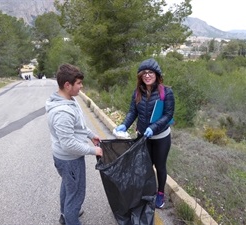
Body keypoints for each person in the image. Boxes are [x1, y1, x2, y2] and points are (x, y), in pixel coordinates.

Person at [45, 63, 103, 225]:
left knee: (68, 186)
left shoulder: (68, 99)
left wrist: (90, 135)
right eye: (78, 83)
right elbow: (69, 144)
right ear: (67, 85)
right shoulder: (63, 112)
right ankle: (70, 216)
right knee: (75, 195)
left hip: (66, 159)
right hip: (69, 160)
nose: (81, 86)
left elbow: (78, 126)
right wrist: (94, 150)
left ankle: (65, 213)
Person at [115, 58, 175, 209]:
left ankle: (160, 194)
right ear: (140, 76)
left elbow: (168, 115)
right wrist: (124, 124)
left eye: (150, 72)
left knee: (160, 167)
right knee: (144, 166)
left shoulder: (166, 92)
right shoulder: (137, 92)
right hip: (143, 137)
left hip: (161, 137)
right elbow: (132, 112)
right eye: (144, 73)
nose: (147, 75)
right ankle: (147, 191)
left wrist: (154, 128)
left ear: (156, 74)